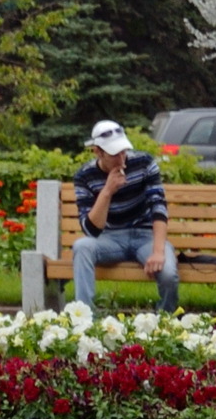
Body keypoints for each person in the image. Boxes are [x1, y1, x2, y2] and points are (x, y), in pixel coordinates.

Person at [72, 117, 178, 312]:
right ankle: (85, 320)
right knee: (82, 247)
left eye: (123, 151)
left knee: (168, 273)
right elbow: (91, 230)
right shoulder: (84, 176)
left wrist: (157, 252)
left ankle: (166, 322)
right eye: (114, 154)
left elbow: (159, 208)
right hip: (110, 238)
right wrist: (107, 191)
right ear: (98, 152)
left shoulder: (144, 163)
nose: (121, 160)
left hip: (146, 236)